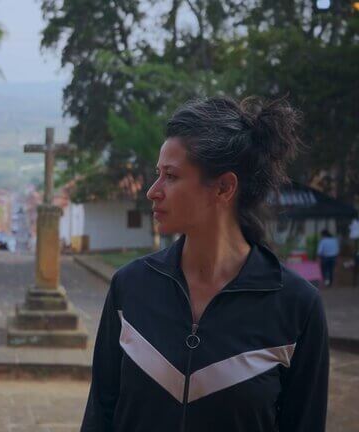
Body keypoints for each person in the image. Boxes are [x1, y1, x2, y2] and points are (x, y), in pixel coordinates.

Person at [81, 97, 329, 432]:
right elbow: (100, 415)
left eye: (171, 176)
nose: (153, 191)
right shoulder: (130, 288)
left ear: (224, 187)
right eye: (158, 174)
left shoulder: (296, 307)